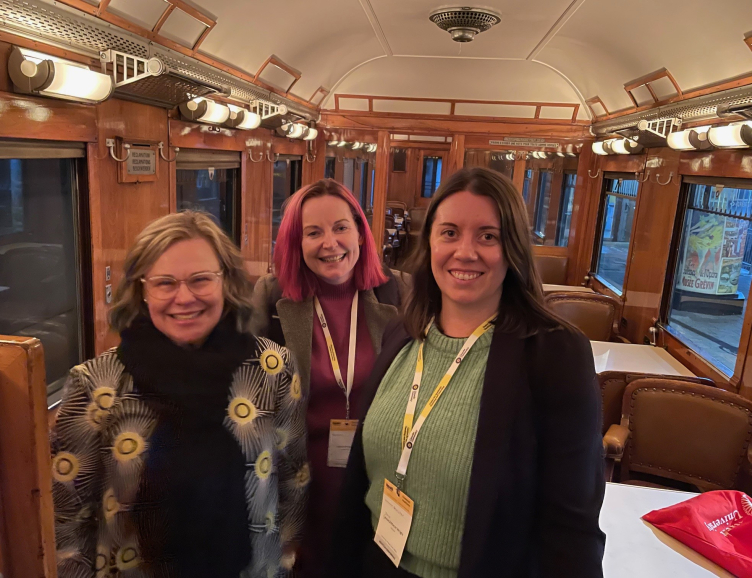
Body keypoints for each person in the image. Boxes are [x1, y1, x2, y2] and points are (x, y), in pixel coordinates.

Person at [331, 168, 605, 578]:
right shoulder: (402, 331)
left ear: (512, 247)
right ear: (430, 243)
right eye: (450, 232)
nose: (465, 251)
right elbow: (360, 483)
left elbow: (571, 523)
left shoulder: (555, 353)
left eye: (487, 236)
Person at [50, 211, 308, 578]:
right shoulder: (95, 384)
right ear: (142, 289)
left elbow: (293, 478)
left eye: (201, 279)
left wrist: (283, 562)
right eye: (165, 283)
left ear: (227, 283)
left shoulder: (273, 369)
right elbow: (68, 519)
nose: (184, 298)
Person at [252, 179, 401, 577]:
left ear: (359, 231)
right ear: (295, 244)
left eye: (340, 227)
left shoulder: (396, 293)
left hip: (376, 475)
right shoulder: (270, 299)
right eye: (312, 232)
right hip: (299, 479)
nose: (329, 243)